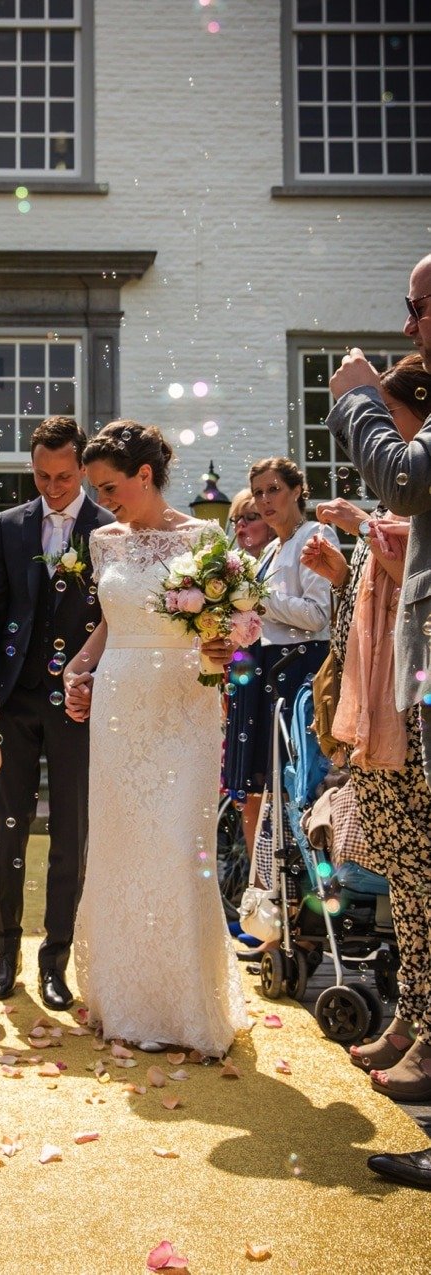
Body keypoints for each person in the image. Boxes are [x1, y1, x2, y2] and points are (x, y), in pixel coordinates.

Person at [62, 420, 248, 1056]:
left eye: (110, 486)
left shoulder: (205, 537)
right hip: (119, 700)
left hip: (184, 702)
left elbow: (230, 630)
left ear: (146, 475)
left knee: (175, 844)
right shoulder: (104, 542)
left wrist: (223, 648)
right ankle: (124, 998)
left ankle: (187, 1008)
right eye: (95, 488)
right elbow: (112, 625)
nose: (103, 499)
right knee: (121, 844)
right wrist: (79, 666)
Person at [325, 254, 431, 1190]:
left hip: (414, 698)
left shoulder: (407, 456)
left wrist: (356, 399)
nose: (409, 328)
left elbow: (403, 485)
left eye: (417, 309)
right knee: (412, 880)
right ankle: (421, 1023)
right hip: (403, 701)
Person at [302, 353, 431, 1105]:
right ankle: (414, 1013)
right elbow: (376, 598)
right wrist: (348, 561)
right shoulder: (401, 505)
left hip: (406, 715)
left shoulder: (416, 487)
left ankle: (425, 1022)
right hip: (384, 711)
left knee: (421, 876)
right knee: (410, 884)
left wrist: (380, 543)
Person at [0, 416, 115, 1010]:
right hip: (15, 697)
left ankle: (55, 960)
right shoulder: (10, 527)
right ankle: (5, 955)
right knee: (6, 826)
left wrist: (95, 681)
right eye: (41, 475)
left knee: (71, 832)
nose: (51, 487)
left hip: (79, 705)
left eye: (62, 476)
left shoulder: (108, 530)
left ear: (81, 468)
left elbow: (117, 623)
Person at [226, 458, 339, 858]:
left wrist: (258, 597)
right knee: (263, 782)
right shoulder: (271, 549)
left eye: (273, 489)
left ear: (296, 491)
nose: (265, 499)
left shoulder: (316, 536)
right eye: (258, 492)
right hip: (264, 670)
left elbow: (317, 614)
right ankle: (269, 886)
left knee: (297, 779)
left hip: (300, 669)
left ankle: (306, 882)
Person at [223, 490, 277, 855]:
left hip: (272, 669)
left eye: (251, 517)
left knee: (272, 777)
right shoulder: (226, 573)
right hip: (241, 674)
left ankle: (282, 882)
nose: (242, 525)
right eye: (237, 519)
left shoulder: (280, 564)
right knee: (246, 785)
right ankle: (257, 882)